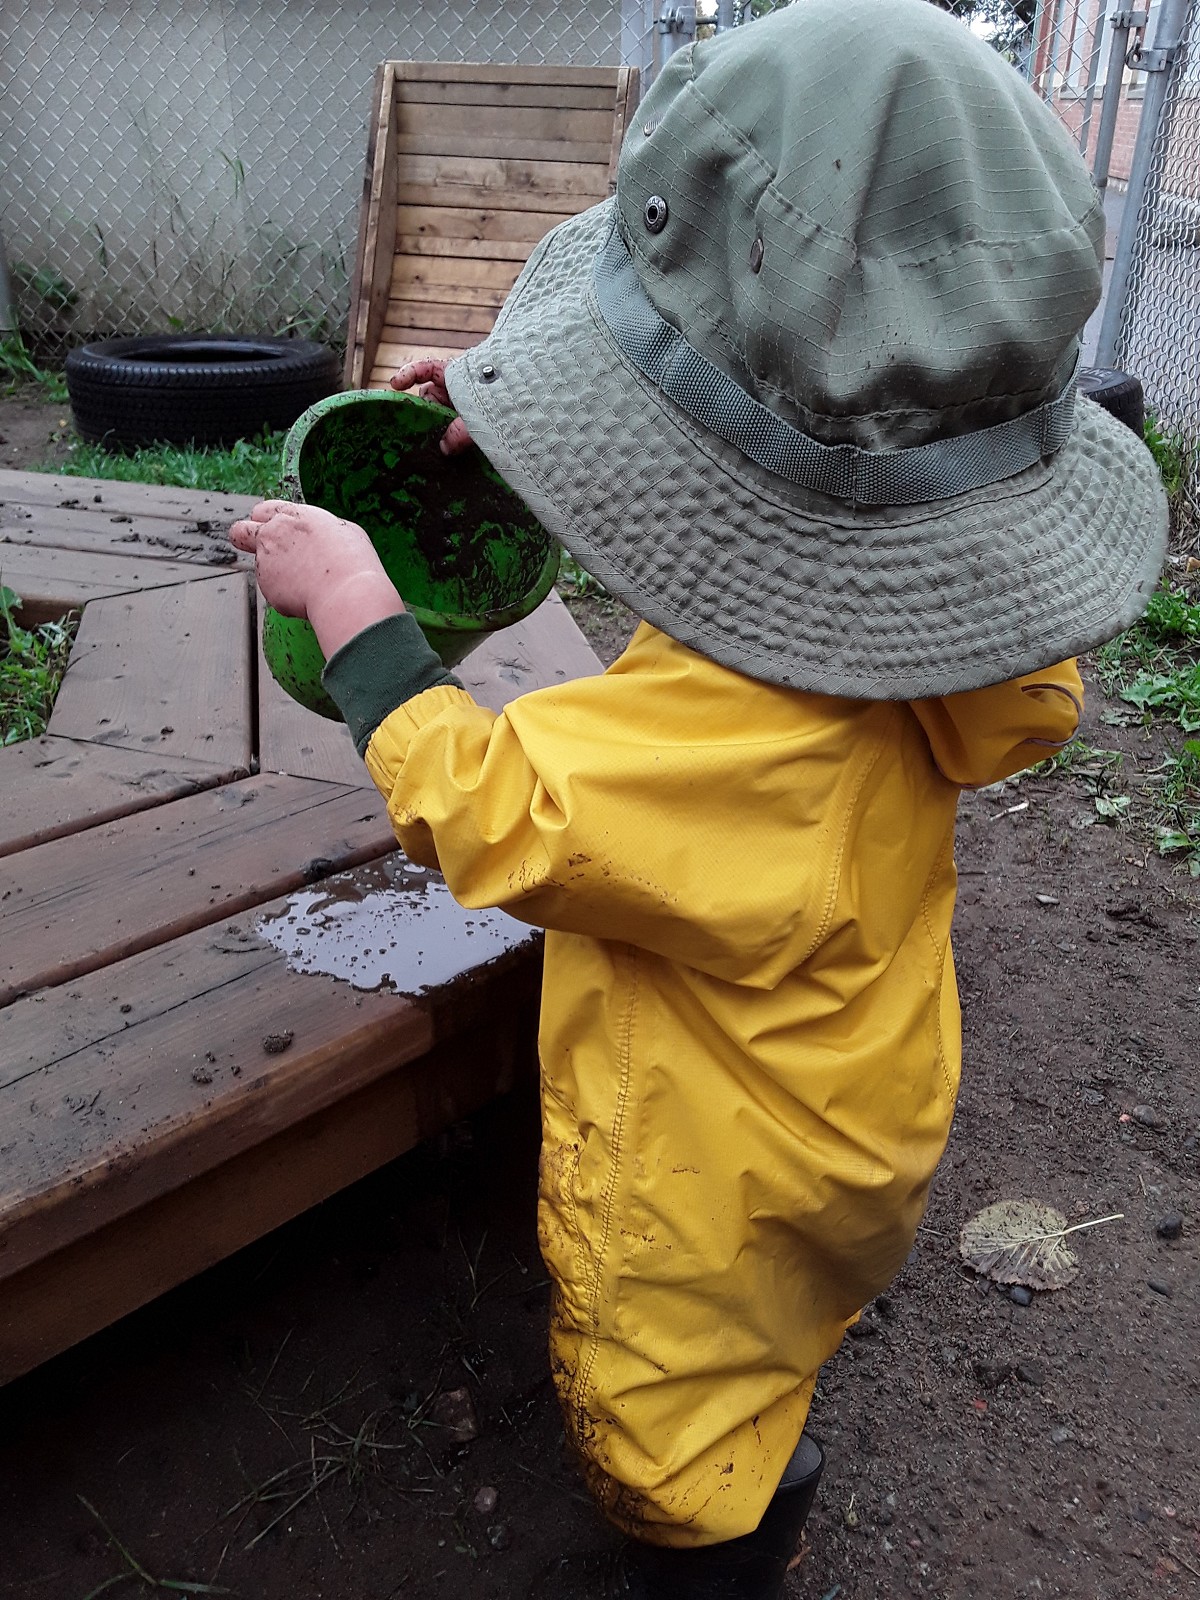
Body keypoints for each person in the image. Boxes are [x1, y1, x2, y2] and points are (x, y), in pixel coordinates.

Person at [230, 2, 1168, 1594]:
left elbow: (490, 807)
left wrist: (357, 615)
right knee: (787, 1306)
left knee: (660, 1413)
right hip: (861, 1112)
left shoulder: (727, 738)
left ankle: (710, 1537)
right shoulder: (957, 659)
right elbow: (766, 537)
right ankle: (775, 1397)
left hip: (705, 1176)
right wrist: (520, 422)